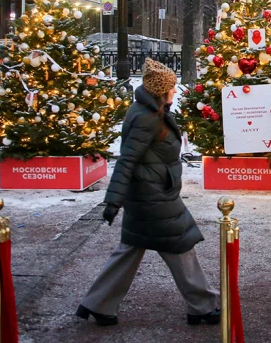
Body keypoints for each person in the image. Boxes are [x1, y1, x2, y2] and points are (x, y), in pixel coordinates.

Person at [76, 58, 220, 327]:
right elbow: (127, 159)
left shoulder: (148, 111)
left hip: (149, 192)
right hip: (153, 196)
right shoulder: (148, 118)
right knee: (181, 244)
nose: (175, 92)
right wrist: (112, 201)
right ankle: (202, 306)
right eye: (172, 88)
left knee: (131, 248)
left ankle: (99, 304)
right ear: (160, 91)